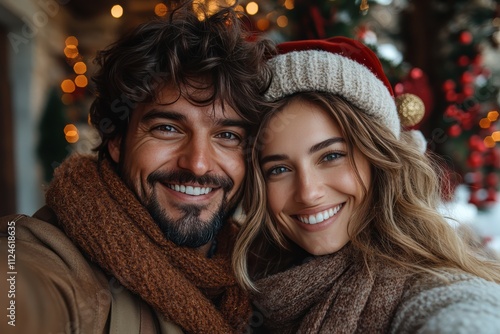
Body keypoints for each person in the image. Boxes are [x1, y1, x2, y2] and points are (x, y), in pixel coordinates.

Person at [0, 1, 275, 333]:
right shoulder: (43, 255)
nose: (199, 164)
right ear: (116, 140)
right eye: (167, 128)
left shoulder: (262, 270)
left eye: (227, 135)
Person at [233, 36, 500, 333]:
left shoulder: (431, 285)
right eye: (279, 169)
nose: (308, 193)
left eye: (331, 156)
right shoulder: (246, 284)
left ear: (379, 160)